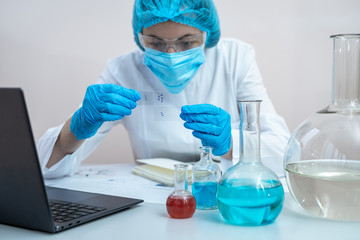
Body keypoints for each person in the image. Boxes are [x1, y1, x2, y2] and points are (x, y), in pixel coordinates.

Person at [37, 0, 290, 179]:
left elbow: (286, 153)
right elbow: (46, 168)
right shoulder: (123, 71)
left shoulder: (235, 58)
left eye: (187, 42)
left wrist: (232, 145)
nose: (171, 54)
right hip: (154, 201)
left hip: (222, 195)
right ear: (141, 37)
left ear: (206, 34)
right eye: (156, 43)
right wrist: (78, 126)